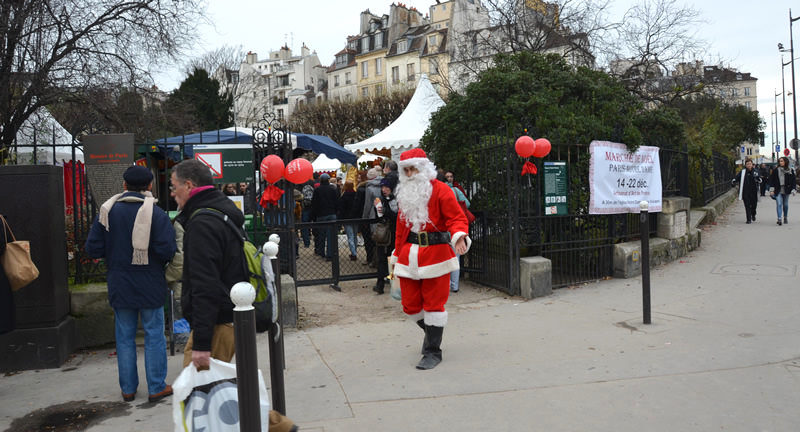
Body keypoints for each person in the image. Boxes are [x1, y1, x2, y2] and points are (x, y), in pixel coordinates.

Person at [171, 159, 298, 432]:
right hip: (228, 317)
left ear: (189, 185)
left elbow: (204, 285)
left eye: (174, 186)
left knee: (199, 389)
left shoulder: (202, 223)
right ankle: (279, 425)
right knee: (219, 387)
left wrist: (202, 342)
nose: (172, 193)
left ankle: (279, 426)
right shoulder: (221, 211)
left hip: (217, 321)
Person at [85, 165, 177, 403]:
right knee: (154, 334)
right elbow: (167, 250)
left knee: (124, 336)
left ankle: (128, 389)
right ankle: (156, 386)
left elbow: (92, 248)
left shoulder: (107, 212)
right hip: (150, 281)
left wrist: (114, 253)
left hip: (120, 281)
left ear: (124, 186)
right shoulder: (156, 214)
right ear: (149, 186)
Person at [391, 148, 470, 370]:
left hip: (436, 255)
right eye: (405, 170)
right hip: (409, 254)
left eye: (413, 168)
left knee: (434, 305)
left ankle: (433, 351)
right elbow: (400, 228)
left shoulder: (442, 190)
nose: (409, 174)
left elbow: (457, 218)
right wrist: (396, 253)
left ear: (424, 168)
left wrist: (459, 237)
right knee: (410, 306)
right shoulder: (405, 193)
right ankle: (433, 334)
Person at [444, 170, 470, 291]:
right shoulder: (456, 190)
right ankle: (454, 286)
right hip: (456, 229)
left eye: (451, 176)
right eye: (448, 177)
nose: (449, 178)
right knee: (456, 257)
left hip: (444, 229)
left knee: (444, 258)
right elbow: (467, 204)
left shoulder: (441, 191)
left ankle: (446, 285)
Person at [373, 175, 398, 294]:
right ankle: (380, 283)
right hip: (383, 235)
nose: (384, 189)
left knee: (391, 260)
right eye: (383, 187)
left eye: (386, 187)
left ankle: (392, 282)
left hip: (393, 234)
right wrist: (377, 209)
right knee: (381, 259)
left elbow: (397, 217)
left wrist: (385, 211)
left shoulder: (395, 200)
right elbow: (378, 217)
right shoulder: (380, 199)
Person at [311, 173, 339, 260]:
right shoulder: (333, 189)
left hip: (321, 215)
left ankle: (321, 252)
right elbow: (337, 202)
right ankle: (330, 254)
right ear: (328, 180)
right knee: (331, 236)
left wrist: (314, 216)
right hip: (331, 214)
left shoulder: (317, 190)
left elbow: (314, 204)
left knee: (321, 235)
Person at [730, 158, 760, 224]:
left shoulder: (755, 171)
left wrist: (759, 180)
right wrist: (734, 180)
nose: (749, 165)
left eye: (750, 164)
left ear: (752, 164)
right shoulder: (743, 172)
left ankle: (753, 213)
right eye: (747, 164)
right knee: (747, 205)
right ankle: (748, 219)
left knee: (754, 205)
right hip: (745, 191)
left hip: (753, 191)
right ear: (745, 165)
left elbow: (759, 179)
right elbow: (737, 177)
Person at [768, 156, 796, 225]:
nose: (781, 162)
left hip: (787, 189)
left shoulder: (790, 170)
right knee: (779, 204)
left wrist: (793, 189)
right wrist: (771, 190)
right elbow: (772, 180)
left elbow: (793, 181)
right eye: (780, 161)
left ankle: (785, 217)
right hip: (778, 189)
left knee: (785, 204)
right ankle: (779, 219)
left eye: (782, 161)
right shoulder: (775, 170)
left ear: (786, 162)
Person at [337, 181, 359, 261]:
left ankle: (354, 253)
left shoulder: (344, 196)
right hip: (356, 218)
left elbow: (341, 209)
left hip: (347, 218)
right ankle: (354, 251)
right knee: (355, 235)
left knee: (350, 236)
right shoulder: (356, 194)